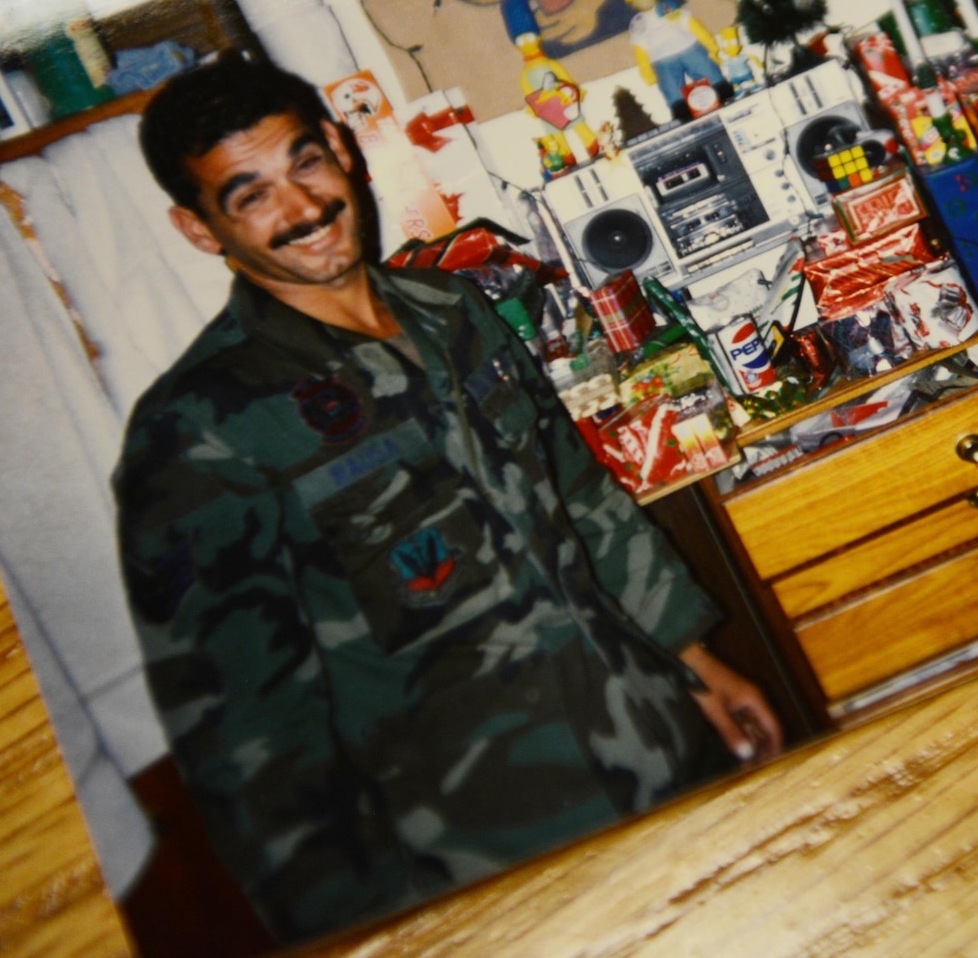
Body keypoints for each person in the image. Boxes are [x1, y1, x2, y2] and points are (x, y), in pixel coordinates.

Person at [115, 60, 782, 944]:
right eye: (250, 195)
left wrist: (694, 660)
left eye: (306, 162)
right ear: (199, 229)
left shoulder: (453, 307)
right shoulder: (198, 428)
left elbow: (580, 499)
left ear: (345, 152)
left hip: (655, 747)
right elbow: (248, 737)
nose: (304, 206)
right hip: (481, 855)